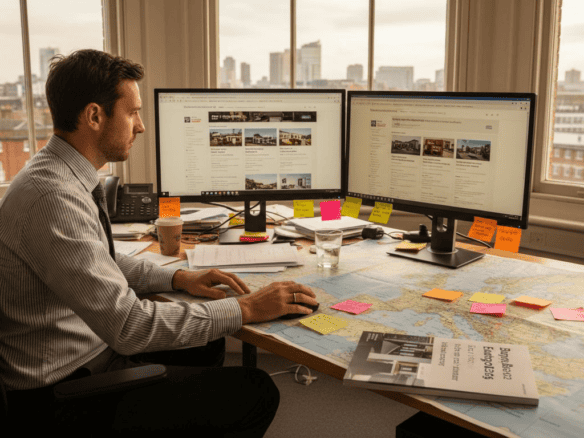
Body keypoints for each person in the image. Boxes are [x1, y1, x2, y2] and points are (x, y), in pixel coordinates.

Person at [0, 49, 317, 436]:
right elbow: (130, 327)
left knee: (206, 345)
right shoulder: (53, 198)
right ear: (95, 116)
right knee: (254, 391)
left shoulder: (58, 175)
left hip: (84, 354)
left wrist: (177, 278)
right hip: (60, 395)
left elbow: (103, 259)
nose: (141, 126)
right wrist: (248, 307)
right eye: (132, 112)